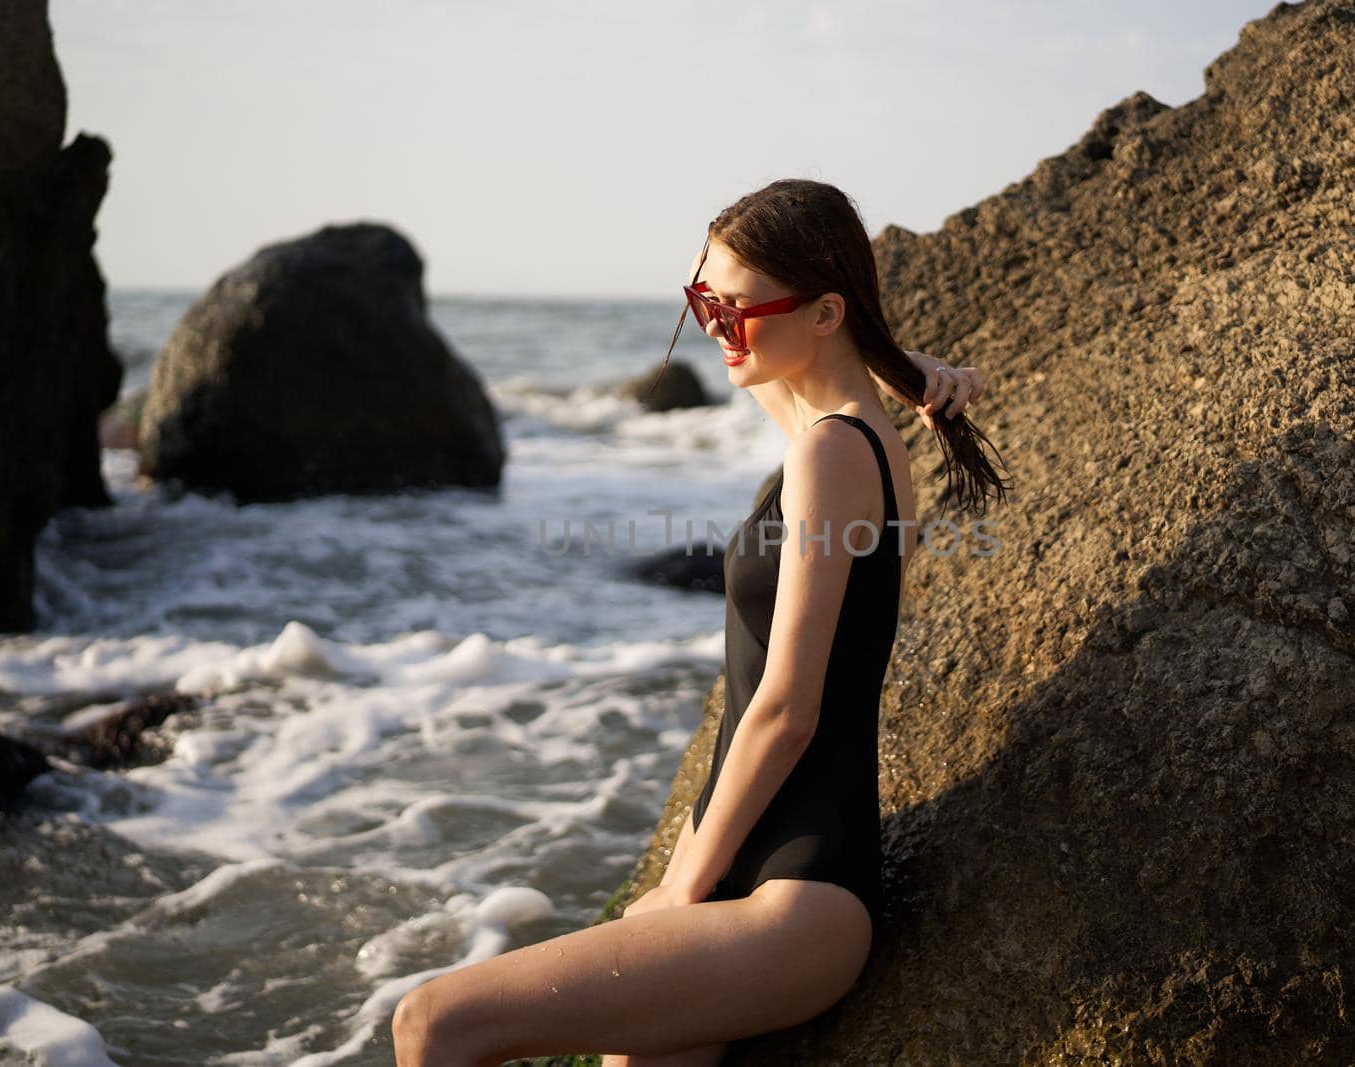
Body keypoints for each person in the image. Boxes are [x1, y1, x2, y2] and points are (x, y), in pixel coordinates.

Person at [391, 178, 1009, 1067]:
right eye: (702, 303)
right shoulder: (833, 426)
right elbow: (797, 355)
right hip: (749, 883)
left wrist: (679, 885)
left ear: (826, 311)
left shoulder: (837, 451)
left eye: (735, 308)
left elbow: (787, 706)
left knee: (432, 1022)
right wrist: (905, 367)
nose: (715, 326)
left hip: (794, 898)